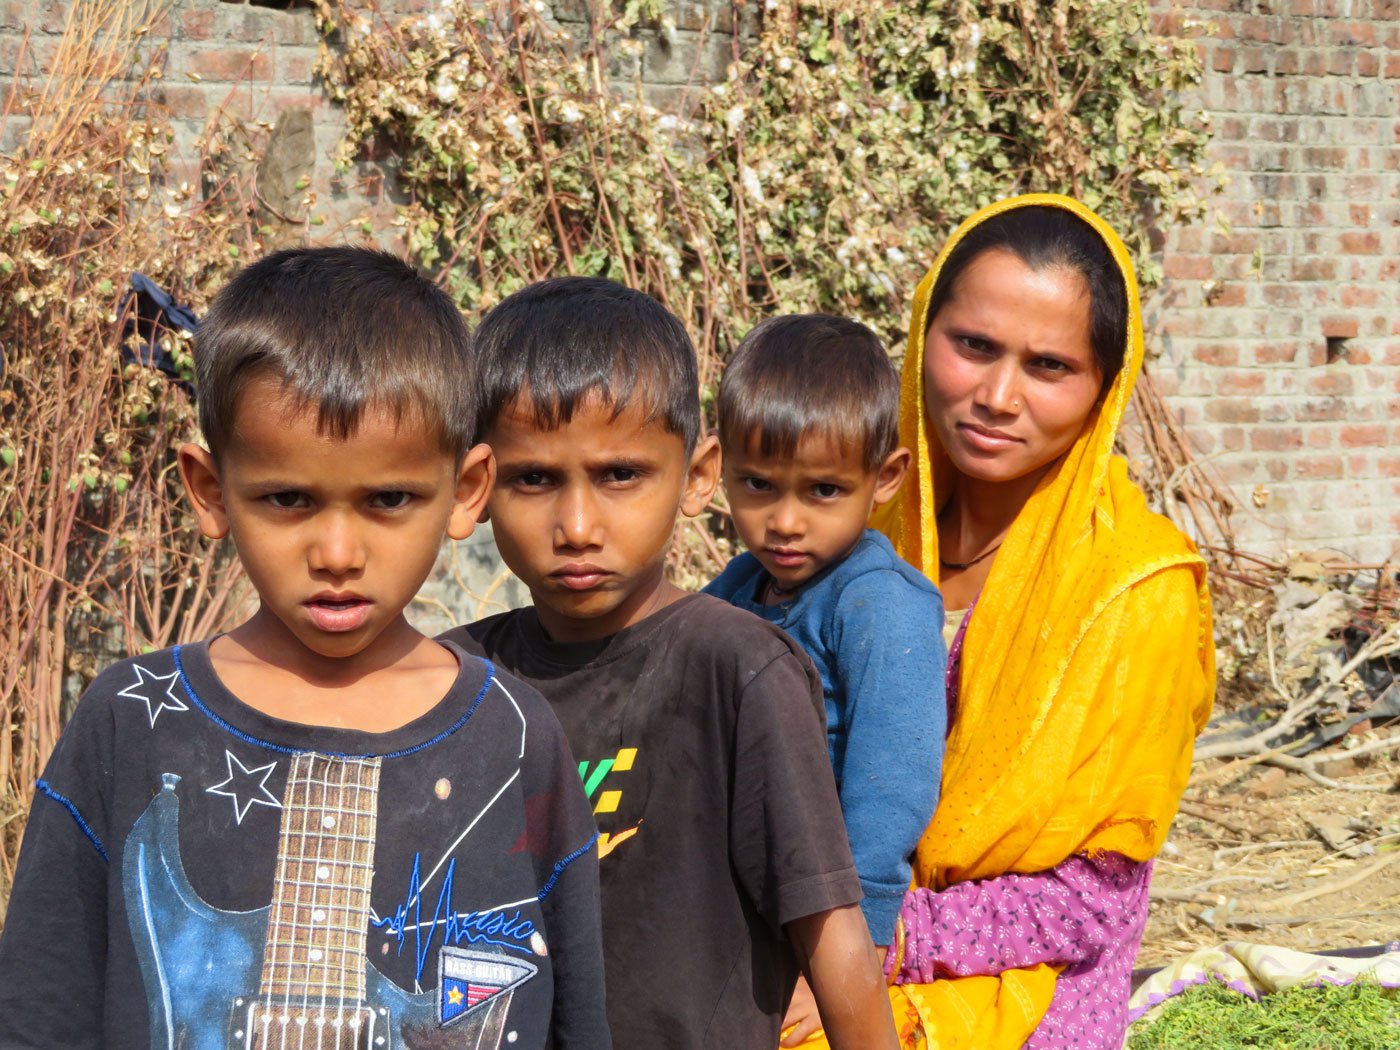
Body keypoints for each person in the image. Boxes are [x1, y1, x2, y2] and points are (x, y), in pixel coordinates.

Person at [0, 248, 611, 1050]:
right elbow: (41, 1009)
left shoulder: (515, 735)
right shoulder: (132, 724)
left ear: (466, 494)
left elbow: (575, 1017)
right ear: (212, 492)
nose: (336, 552)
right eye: (287, 498)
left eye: (389, 499)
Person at [441, 277, 899, 1050]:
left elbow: (831, 930)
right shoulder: (454, 682)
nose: (577, 526)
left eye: (621, 475)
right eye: (534, 479)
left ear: (695, 475)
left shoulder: (742, 671)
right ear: (477, 485)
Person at [867, 194, 1217, 1050]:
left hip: (1030, 995)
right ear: (923, 337)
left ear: (1104, 388)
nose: (996, 395)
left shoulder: (1135, 592)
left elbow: (1094, 901)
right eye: (974, 347)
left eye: (1049, 367)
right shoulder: (856, 538)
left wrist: (872, 944)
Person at [702, 316, 946, 1039]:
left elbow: (891, 786)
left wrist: (853, 953)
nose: (784, 521)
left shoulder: (880, 604)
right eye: (758, 485)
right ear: (720, 470)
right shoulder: (742, 584)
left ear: (886, 480)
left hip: (824, 908)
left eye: (823, 492)